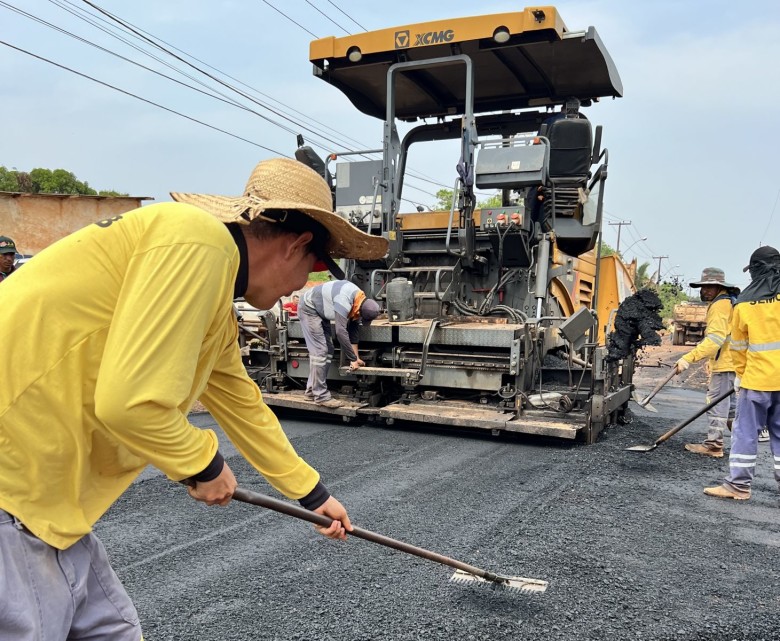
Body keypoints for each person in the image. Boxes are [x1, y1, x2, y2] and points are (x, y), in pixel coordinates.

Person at [0, 157, 388, 639]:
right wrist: (202, 466)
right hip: (14, 486)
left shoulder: (209, 283)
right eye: (312, 269)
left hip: (48, 498)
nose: (301, 286)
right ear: (297, 245)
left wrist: (312, 494)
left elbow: (240, 401)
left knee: (112, 630)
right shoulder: (196, 243)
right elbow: (132, 402)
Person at [705, 246, 780, 500]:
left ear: (756, 270)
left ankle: (738, 486)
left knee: (746, 431)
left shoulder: (745, 302)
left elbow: (738, 346)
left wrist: (740, 375)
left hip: (757, 380)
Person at [675, 267, 739, 458]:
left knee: (717, 404)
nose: (704, 291)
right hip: (735, 362)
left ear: (718, 287)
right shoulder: (730, 302)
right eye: (703, 287)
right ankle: (741, 444)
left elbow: (715, 340)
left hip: (726, 364)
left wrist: (688, 358)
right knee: (732, 408)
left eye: (709, 287)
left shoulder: (719, 306)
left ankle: (714, 445)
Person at [299, 280, 381, 408]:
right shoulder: (344, 300)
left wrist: (356, 358)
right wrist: (352, 359)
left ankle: (311, 390)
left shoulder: (359, 301)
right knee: (320, 351)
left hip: (320, 310)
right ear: (361, 310)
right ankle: (320, 396)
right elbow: (340, 332)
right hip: (309, 308)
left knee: (329, 349)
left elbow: (353, 332)